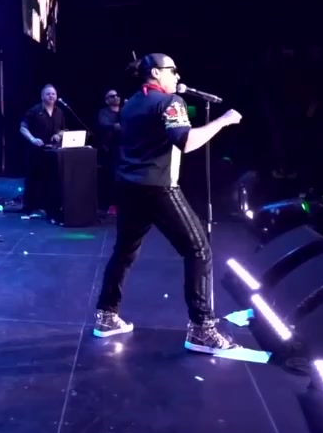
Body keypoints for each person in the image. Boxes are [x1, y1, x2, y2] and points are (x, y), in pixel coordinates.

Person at [93, 53, 242, 353]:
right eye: (172, 70)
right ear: (156, 73)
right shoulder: (171, 102)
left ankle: (106, 316)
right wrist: (223, 121)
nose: (177, 76)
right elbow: (185, 142)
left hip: (129, 187)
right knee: (198, 250)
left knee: (124, 251)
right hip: (158, 187)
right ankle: (202, 329)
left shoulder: (131, 103)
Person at [19, 84, 65, 219]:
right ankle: (29, 208)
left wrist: (59, 135)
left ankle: (50, 208)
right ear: (42, 96)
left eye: (53, 94)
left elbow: (63, 129)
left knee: (51, 180)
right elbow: (23, 128)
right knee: (32, 180)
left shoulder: (59, 112)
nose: (51, 96)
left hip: (52, 152)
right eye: (48, 94)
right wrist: (32, 139)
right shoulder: (34, 110)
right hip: (36, 150)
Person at [96, 89, 122, 213]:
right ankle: (111, 205)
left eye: (117, 95)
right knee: (112, 177)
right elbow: (104, 125)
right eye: (112, 96)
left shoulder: (125, 111)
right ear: (107, 101)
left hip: (125, 149)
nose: (116, 97)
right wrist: (115, 126)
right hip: (110, 150)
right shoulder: (103, 113)